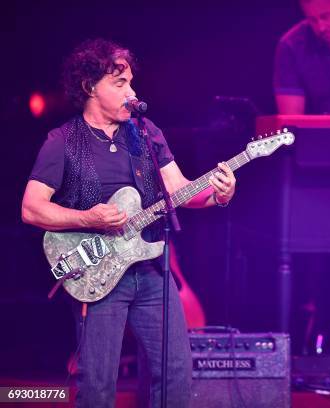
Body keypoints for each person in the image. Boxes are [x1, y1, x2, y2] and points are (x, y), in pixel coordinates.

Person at [21, 38, 236, 407]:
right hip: (99, 274)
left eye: (131, 82)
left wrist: (218, 194)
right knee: (98, 381)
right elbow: (31, 208)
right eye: (120, 83)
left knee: (175, 372)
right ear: (90, 87)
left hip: (152, 269)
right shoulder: (62, 142)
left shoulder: (146, 132)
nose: (131, 92)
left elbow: (181, 191)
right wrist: (88, 217)